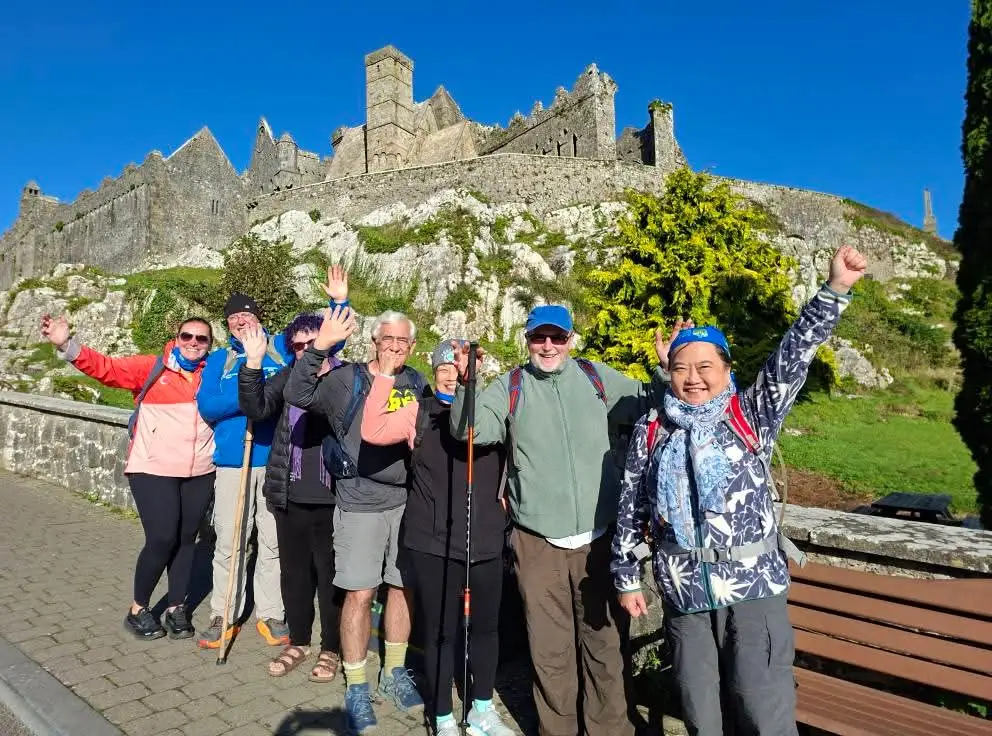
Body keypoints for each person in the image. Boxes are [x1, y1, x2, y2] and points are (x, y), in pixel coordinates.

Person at [612, 245, 868, 736]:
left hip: (753, 591)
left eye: (705, 366)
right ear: (668, 372)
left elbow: (793, 357)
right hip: (684, 591)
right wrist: (626, 576)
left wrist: (835, 288)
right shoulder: (654, 427)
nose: (693, 378)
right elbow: (632, 506)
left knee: (763, 710)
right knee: (700, 712)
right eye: (682, 368)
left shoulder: (751, 415)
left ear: (727, 370)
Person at [449, 304, 670, 736]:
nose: (548, 346)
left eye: (557, 337)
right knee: (550, 654)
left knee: (606, 648)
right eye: (539, 337)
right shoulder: (511, 385)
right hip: (537, 543)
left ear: (570, 340)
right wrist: (466, 385)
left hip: (601, 540)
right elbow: (470, 431)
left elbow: (649, 402)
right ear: (527, 340)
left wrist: (665, 370)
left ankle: (610, 731)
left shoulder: (594, 376)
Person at [361, 340, 516, 736]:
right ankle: (443, 715)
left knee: (486, 629)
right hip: (433, 543)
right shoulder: (417, 411)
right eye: (443, 368)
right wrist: (385, 375)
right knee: (441, 633)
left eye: (459, 369)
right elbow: (373, 429)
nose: (450, 375)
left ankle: (482, 709)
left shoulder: (493, 411)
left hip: (485, 539)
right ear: (433, 372)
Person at [285, 308, 426, 734]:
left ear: (412, 346)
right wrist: (320, 346)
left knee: (401, 587)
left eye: (402, 341)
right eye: (388, 339)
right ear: (374, 342)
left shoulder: (416, 382)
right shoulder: (347, 380)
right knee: (360, 594)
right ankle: (358, 685)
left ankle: (394, 672)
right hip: (360, 500)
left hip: (407, 501)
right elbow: (297, 393)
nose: (395, 348)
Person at [196, 266, 350, 650]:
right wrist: (252, 390)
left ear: (259, 319)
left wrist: (338, 301)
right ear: (228, 325)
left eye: (246, 315)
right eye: (233, 318)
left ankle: (270, 612)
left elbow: (324, 342)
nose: (240, 321)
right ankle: (224, 612)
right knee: (230, 540)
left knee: (272, 543)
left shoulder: (281, 349)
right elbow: (208, 406)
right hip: (234, 461)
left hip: (275, 463)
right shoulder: (220, 360)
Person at [40, 313, 215, 641]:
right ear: (176, 338)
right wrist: (67, 344)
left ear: (209, 344)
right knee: (162, 538)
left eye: (201, 338)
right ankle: (138, 609)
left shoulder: (213, 374)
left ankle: (176, 607)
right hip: (152, 468)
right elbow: (106, 369)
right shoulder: (152, 367)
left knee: (186, 539)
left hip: (200, 470)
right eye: (187, 336)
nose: (193, 343)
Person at [238, 303, 355, 681]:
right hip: (290, 493)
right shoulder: (289, 376)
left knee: (331, 575)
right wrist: (252, 363)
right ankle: (299, 642)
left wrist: (340, 301)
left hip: (334, 496)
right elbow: (257, 407)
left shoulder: (347, 377)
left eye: (312, 343)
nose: (305, 350)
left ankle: (331, 648)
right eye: (298, 346)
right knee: (294, 574)